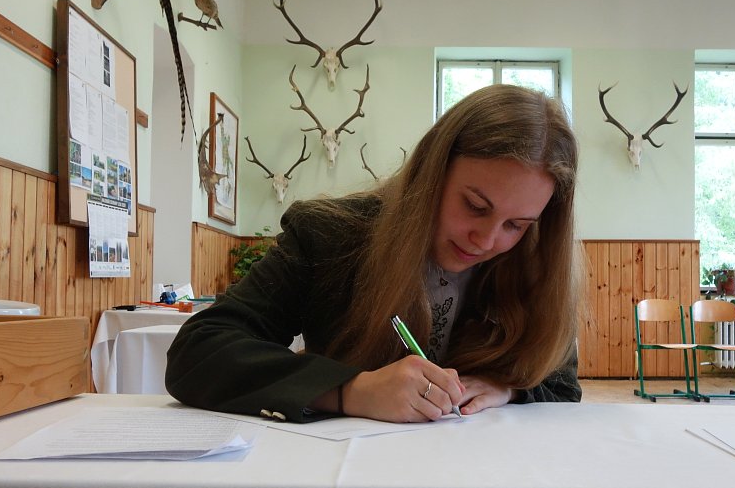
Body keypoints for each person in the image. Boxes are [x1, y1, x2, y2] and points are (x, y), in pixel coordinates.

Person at [166, 84, 582, 423]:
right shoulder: (328, 235)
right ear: (432, 171)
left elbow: (562, 386)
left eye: (516, 225)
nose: (486, 241)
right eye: (474, 205)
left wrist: (509, 389)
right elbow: (198, 353)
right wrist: (351, 390)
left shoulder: (531, 264)